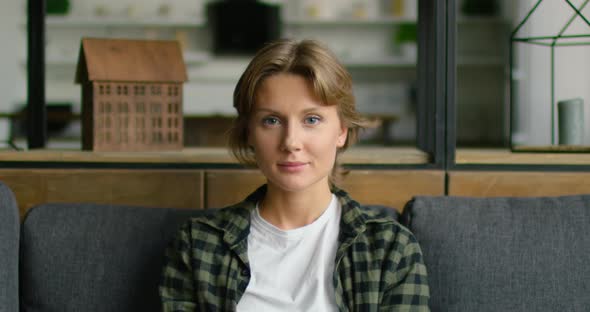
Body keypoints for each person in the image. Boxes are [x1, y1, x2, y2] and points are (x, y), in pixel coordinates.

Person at [159, 39, 430, 311]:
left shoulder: (391, 249)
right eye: (271, 120)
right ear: (250, 132)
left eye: (311, 120)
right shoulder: (197, 246)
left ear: (341, 131)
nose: (291, 142)